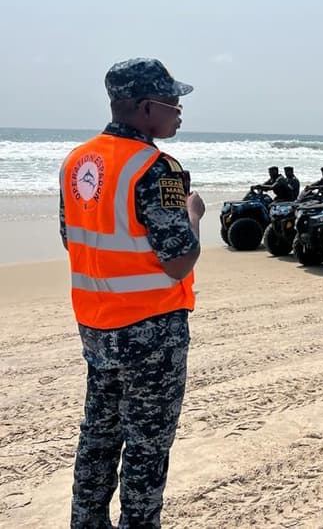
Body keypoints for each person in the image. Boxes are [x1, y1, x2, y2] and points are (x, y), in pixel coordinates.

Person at [59, 58, 204, 528]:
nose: (180, 111)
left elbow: (72, 237)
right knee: (146, 446)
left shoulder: (78, 161)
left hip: (96, 325)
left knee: (98, 437)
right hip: (151, 330)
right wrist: (194, 213)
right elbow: (179, 258)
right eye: (173, 102)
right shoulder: (157, 169)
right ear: (145, 107)